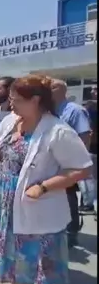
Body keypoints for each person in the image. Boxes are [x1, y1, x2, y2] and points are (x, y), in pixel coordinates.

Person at [0, 74, 92, 284]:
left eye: (15, 99)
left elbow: (82, 168)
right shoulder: (10, 122)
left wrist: (44, 186)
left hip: (32, 202)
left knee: (23, 255)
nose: (11, 103)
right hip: (4, 201)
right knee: (16, 253)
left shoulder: (57, 130)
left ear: (35, 100)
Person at [51, 79, 92, 245]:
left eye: (51, 88)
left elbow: (85, 135)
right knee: (57, 195)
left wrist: (79, 162)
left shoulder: (75, 110)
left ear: (61, 90)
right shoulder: (50, 111)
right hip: (53, 161)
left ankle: (72, 230)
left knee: (69, 196)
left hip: (68, 162)